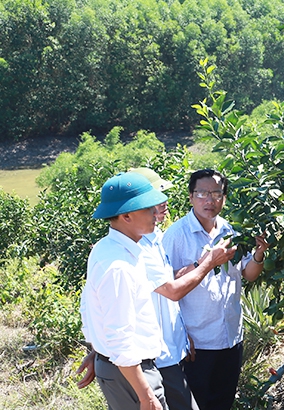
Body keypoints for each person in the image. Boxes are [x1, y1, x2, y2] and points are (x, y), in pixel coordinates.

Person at [78, 168, 236, 410]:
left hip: (135, 362)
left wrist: (100, 352)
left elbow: (97, 310)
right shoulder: (119, 264)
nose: (157, 211)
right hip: (135, 367)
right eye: (148, 207)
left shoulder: (119, 248)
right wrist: (145, 395)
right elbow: (119, 335)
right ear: (127, 216)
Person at [162, 169, 270, 410]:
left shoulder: (229, 231)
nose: (209, 200)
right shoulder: (176, 236)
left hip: (230, 337)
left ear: (224, 197)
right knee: (197, 404)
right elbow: (165, 287)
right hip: (196, 343)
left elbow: (248, 273)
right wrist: (180, 332)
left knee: (222, 402)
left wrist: (259, 254)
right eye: (202, 193)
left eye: (216, 193)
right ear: (190, 197)